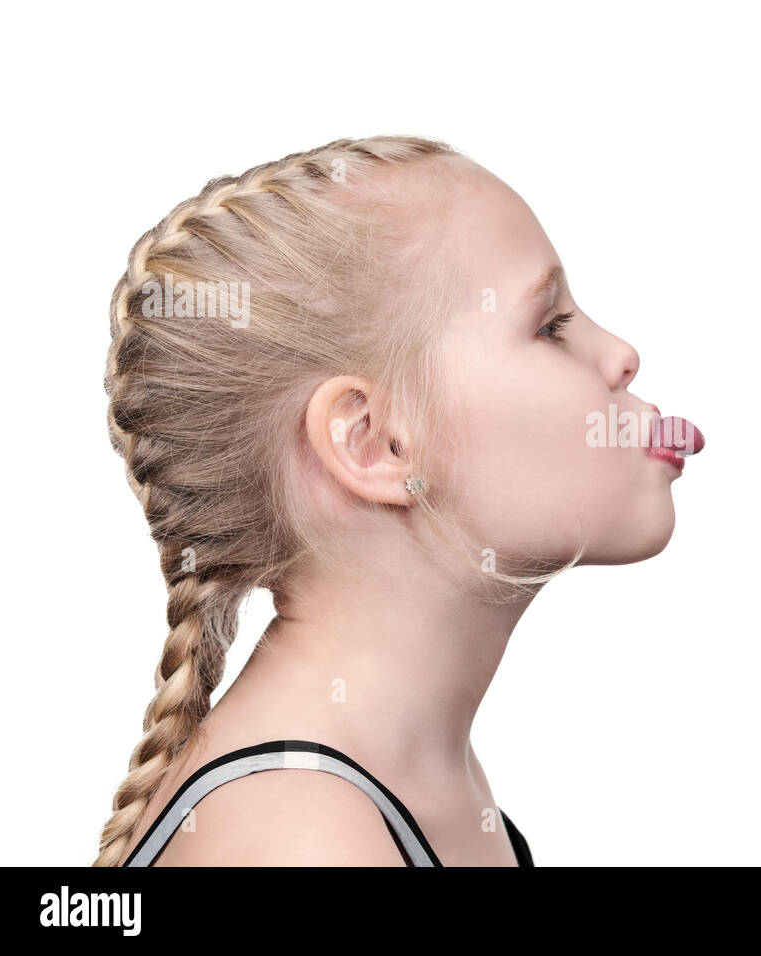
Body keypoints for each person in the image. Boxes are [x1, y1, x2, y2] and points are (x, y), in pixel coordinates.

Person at [94, 136, 705, 867]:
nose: (622, 354)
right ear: (375, 443)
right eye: (550, 326)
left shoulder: (411, 777)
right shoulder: (304, 839)